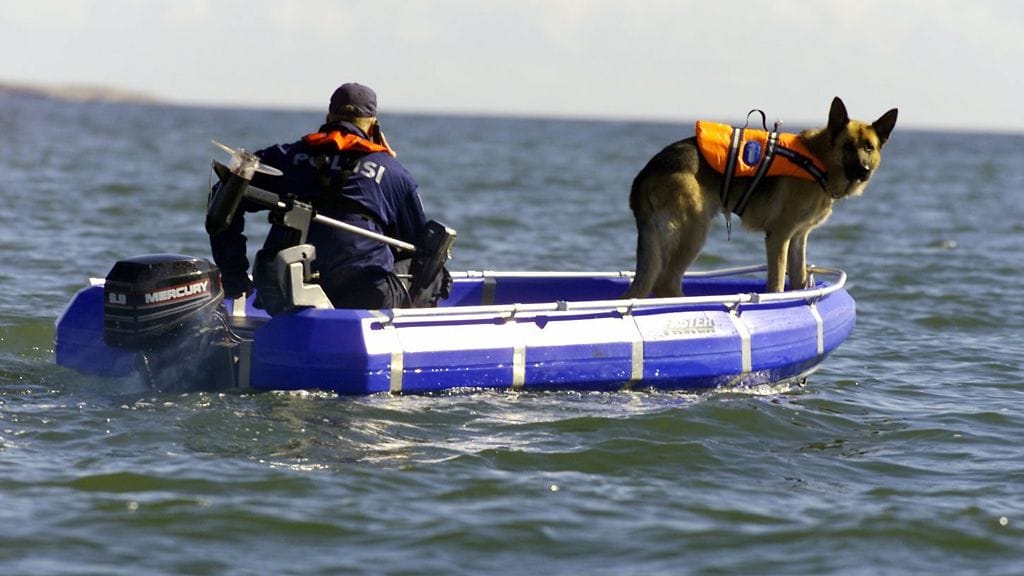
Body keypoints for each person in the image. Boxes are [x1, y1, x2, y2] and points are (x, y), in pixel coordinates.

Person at [209, 82, 447, 310]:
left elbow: (224, 195)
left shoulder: (285, 157)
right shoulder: (393, 173)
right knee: (433, 268)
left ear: (328, 118)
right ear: (373, 126)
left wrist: (234, 275)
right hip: (361, 294)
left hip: (281, 291)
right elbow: (414, 245)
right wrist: (387, 165)